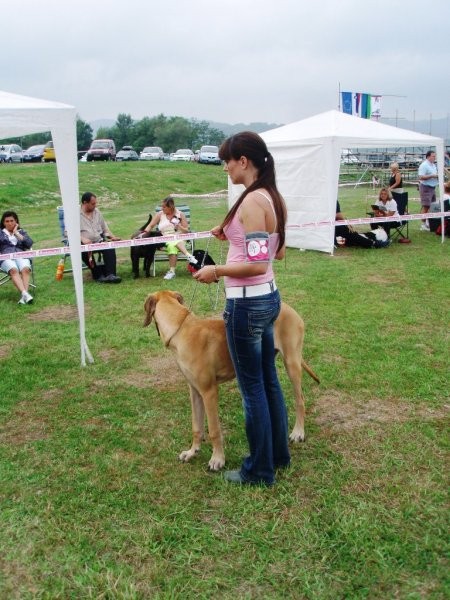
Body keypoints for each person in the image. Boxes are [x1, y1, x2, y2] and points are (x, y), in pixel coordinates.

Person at [193, 131, 290, 487]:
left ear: (243, 162)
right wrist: (232, 234)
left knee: (252, 389)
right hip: (268, 300)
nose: (225, 168)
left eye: (227, 162)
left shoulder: (251, 203)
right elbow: (276, 252)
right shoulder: (272, 198)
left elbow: (257, 264)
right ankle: (278, 456)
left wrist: (215, 270)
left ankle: (259, 470)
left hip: (248, 304)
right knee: (268, 381)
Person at [140, 196, 197, 280]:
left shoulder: (180, 214)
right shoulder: (160, 214)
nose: (162, 208)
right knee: (171, 242)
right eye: (161, 206)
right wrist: (144, 233)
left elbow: (186, 231)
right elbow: (151, 225)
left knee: (171, 245)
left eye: (164, 207)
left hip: (179, 236)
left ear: (170, 207)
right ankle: (188, 255)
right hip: (165, 238)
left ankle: (172, 272)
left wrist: (179, 226)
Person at [80, 192, 122, 283]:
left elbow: (105, 228)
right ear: (84, 203)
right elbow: (68, 233)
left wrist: (112, 237)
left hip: (98, 240)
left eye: (95, 203)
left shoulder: (97, 212)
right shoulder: (74, 215)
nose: (95, 205)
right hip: (84, 244)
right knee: (83, 250)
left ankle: (111, 275)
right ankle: (98, 276)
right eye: (93, 204)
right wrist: (82, 239)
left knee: (109, 247)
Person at [0, 210, 34, 304]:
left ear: (16, 222)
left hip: (21, 255)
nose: (10, 223)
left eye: (12, 221)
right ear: (3, 223)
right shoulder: (1, 233)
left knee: (26, 269)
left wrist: (16, 233)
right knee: (14, 270)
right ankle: (25, 294)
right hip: (6, 257)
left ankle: (24, 296)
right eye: (7, 221)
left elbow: (29, 244)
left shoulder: (21, 232)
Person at [418, 150, 438, 231]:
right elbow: (421, 177)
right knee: (426, 206)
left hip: (433, 187)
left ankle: (428, 223)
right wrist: (432, 176)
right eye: (433, 156)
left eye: (434, 156)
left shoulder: (433, 165)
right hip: (426, 187)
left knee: (432, 206)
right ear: (428, 156)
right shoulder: (424, 165)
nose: (434, 157)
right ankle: (423, 225)